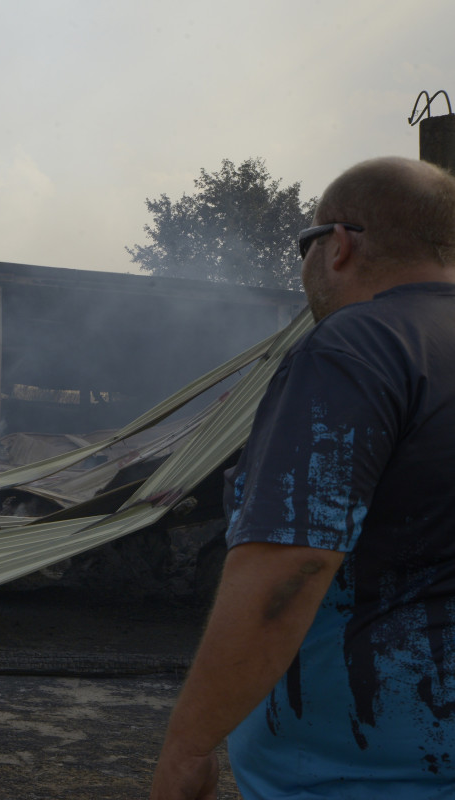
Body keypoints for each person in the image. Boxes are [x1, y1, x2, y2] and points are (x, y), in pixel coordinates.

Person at [151, 156, 455, 799]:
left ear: (339, 244)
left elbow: (290, 569)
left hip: (366, 774)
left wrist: (187, 749)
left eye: (306, 244)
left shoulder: (357, 348)